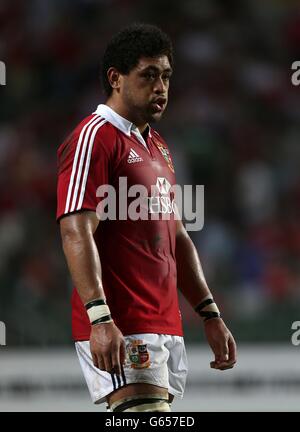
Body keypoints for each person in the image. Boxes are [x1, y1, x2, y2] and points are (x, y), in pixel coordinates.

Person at [57, 23, 237, 413]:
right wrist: (100, 318)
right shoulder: (95, 137)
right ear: (116, 79)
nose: (161, 87)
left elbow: (177, 236)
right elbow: (75, 228)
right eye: (149, 76)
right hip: (122, 323)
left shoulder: (158, 146)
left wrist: (209, 313)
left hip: (165, 322)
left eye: (167, 76)